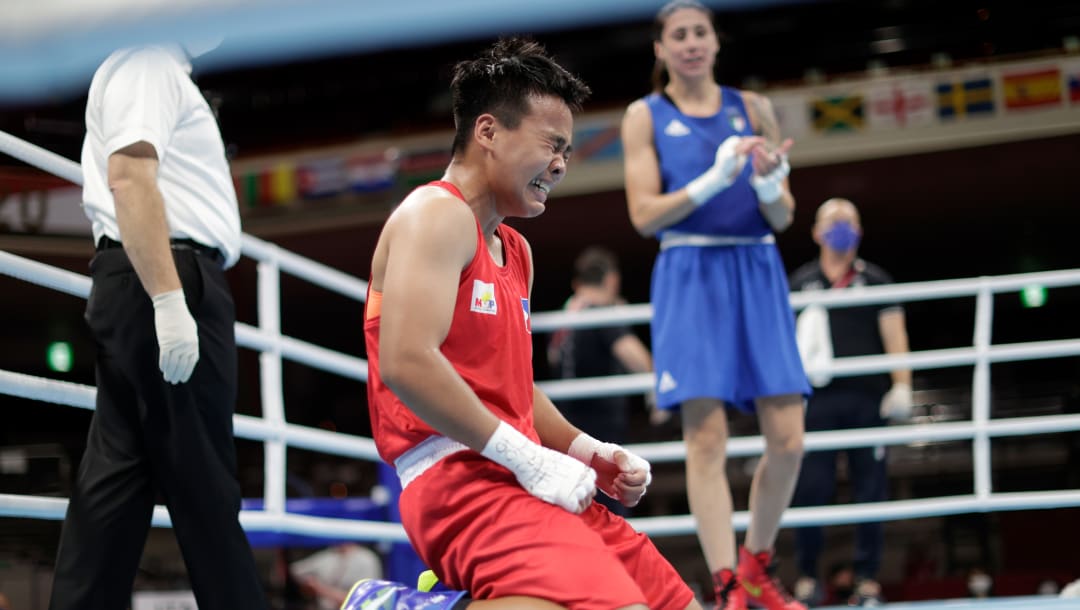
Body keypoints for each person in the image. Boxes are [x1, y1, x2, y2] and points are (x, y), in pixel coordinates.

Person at [353, 37, 701, 610]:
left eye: (567, 149)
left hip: (517, 467)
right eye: (551, 144)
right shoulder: (434, 214)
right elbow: (406, 361)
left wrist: (585, 450)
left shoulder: (517, 250)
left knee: (675, 605)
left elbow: (513, 387)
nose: (561, 163)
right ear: (488, 131)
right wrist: (529, 457)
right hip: (457, 479)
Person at [48, 42, 268, 610]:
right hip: (165, 275)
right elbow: (129, 177)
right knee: (204, 488)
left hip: (151, 277)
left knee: (116, 482)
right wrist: (170, 300)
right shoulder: (148, 60)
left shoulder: (157, 68)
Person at [620, 2, 809, 608]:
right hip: (689, 270)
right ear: (661, 49)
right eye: (679, 34)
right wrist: (711, 178)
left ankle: (757, 563)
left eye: (701, 32)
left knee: (789, 438)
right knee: (706, 439)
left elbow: (782, 216)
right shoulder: (643, 115)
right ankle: (726, 582)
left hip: (757, 266)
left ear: (716, 42)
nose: (692, 43)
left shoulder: (753, 107)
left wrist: (763, 183)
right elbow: (644, 216)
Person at [788, 197, 913, 607]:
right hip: (816, 401)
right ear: (816, 231)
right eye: (833, 220)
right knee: (810, 487)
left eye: (848, 221)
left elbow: (895, 335)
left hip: (866, 398)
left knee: (870, 488)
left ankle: (866, 578)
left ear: (859, 231)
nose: (841, 226)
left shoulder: (876, 280)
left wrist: (902, 384)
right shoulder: (799, 281)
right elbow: (784, 345)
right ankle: (807, 575)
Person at [547, 246, 656, 516]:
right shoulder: (601, 314)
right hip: (601, 434)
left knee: (576, 509)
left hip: (564, 430)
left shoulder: (564, 317)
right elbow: (637, 359)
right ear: (611, 281)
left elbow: (551, 359)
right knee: (609, 513)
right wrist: (659, 392)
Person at [289, 543, 383, 609]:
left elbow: (364, 598)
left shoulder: (367, 559)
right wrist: (309, 585)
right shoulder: (327, 555)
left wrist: (321, 589)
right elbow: (296, 570)